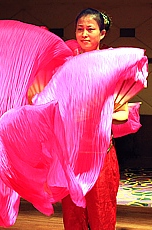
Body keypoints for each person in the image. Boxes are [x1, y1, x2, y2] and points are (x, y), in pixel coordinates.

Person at [62, 8, 129, 230]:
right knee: (73, 217)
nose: (84, 34)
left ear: (102, 33)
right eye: (80, 29)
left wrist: (99, 115)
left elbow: (123, 114)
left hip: (101, 155)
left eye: (90, 29)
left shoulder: (111, 68)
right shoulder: (67, 67)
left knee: (102, 215)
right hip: (72, 155)